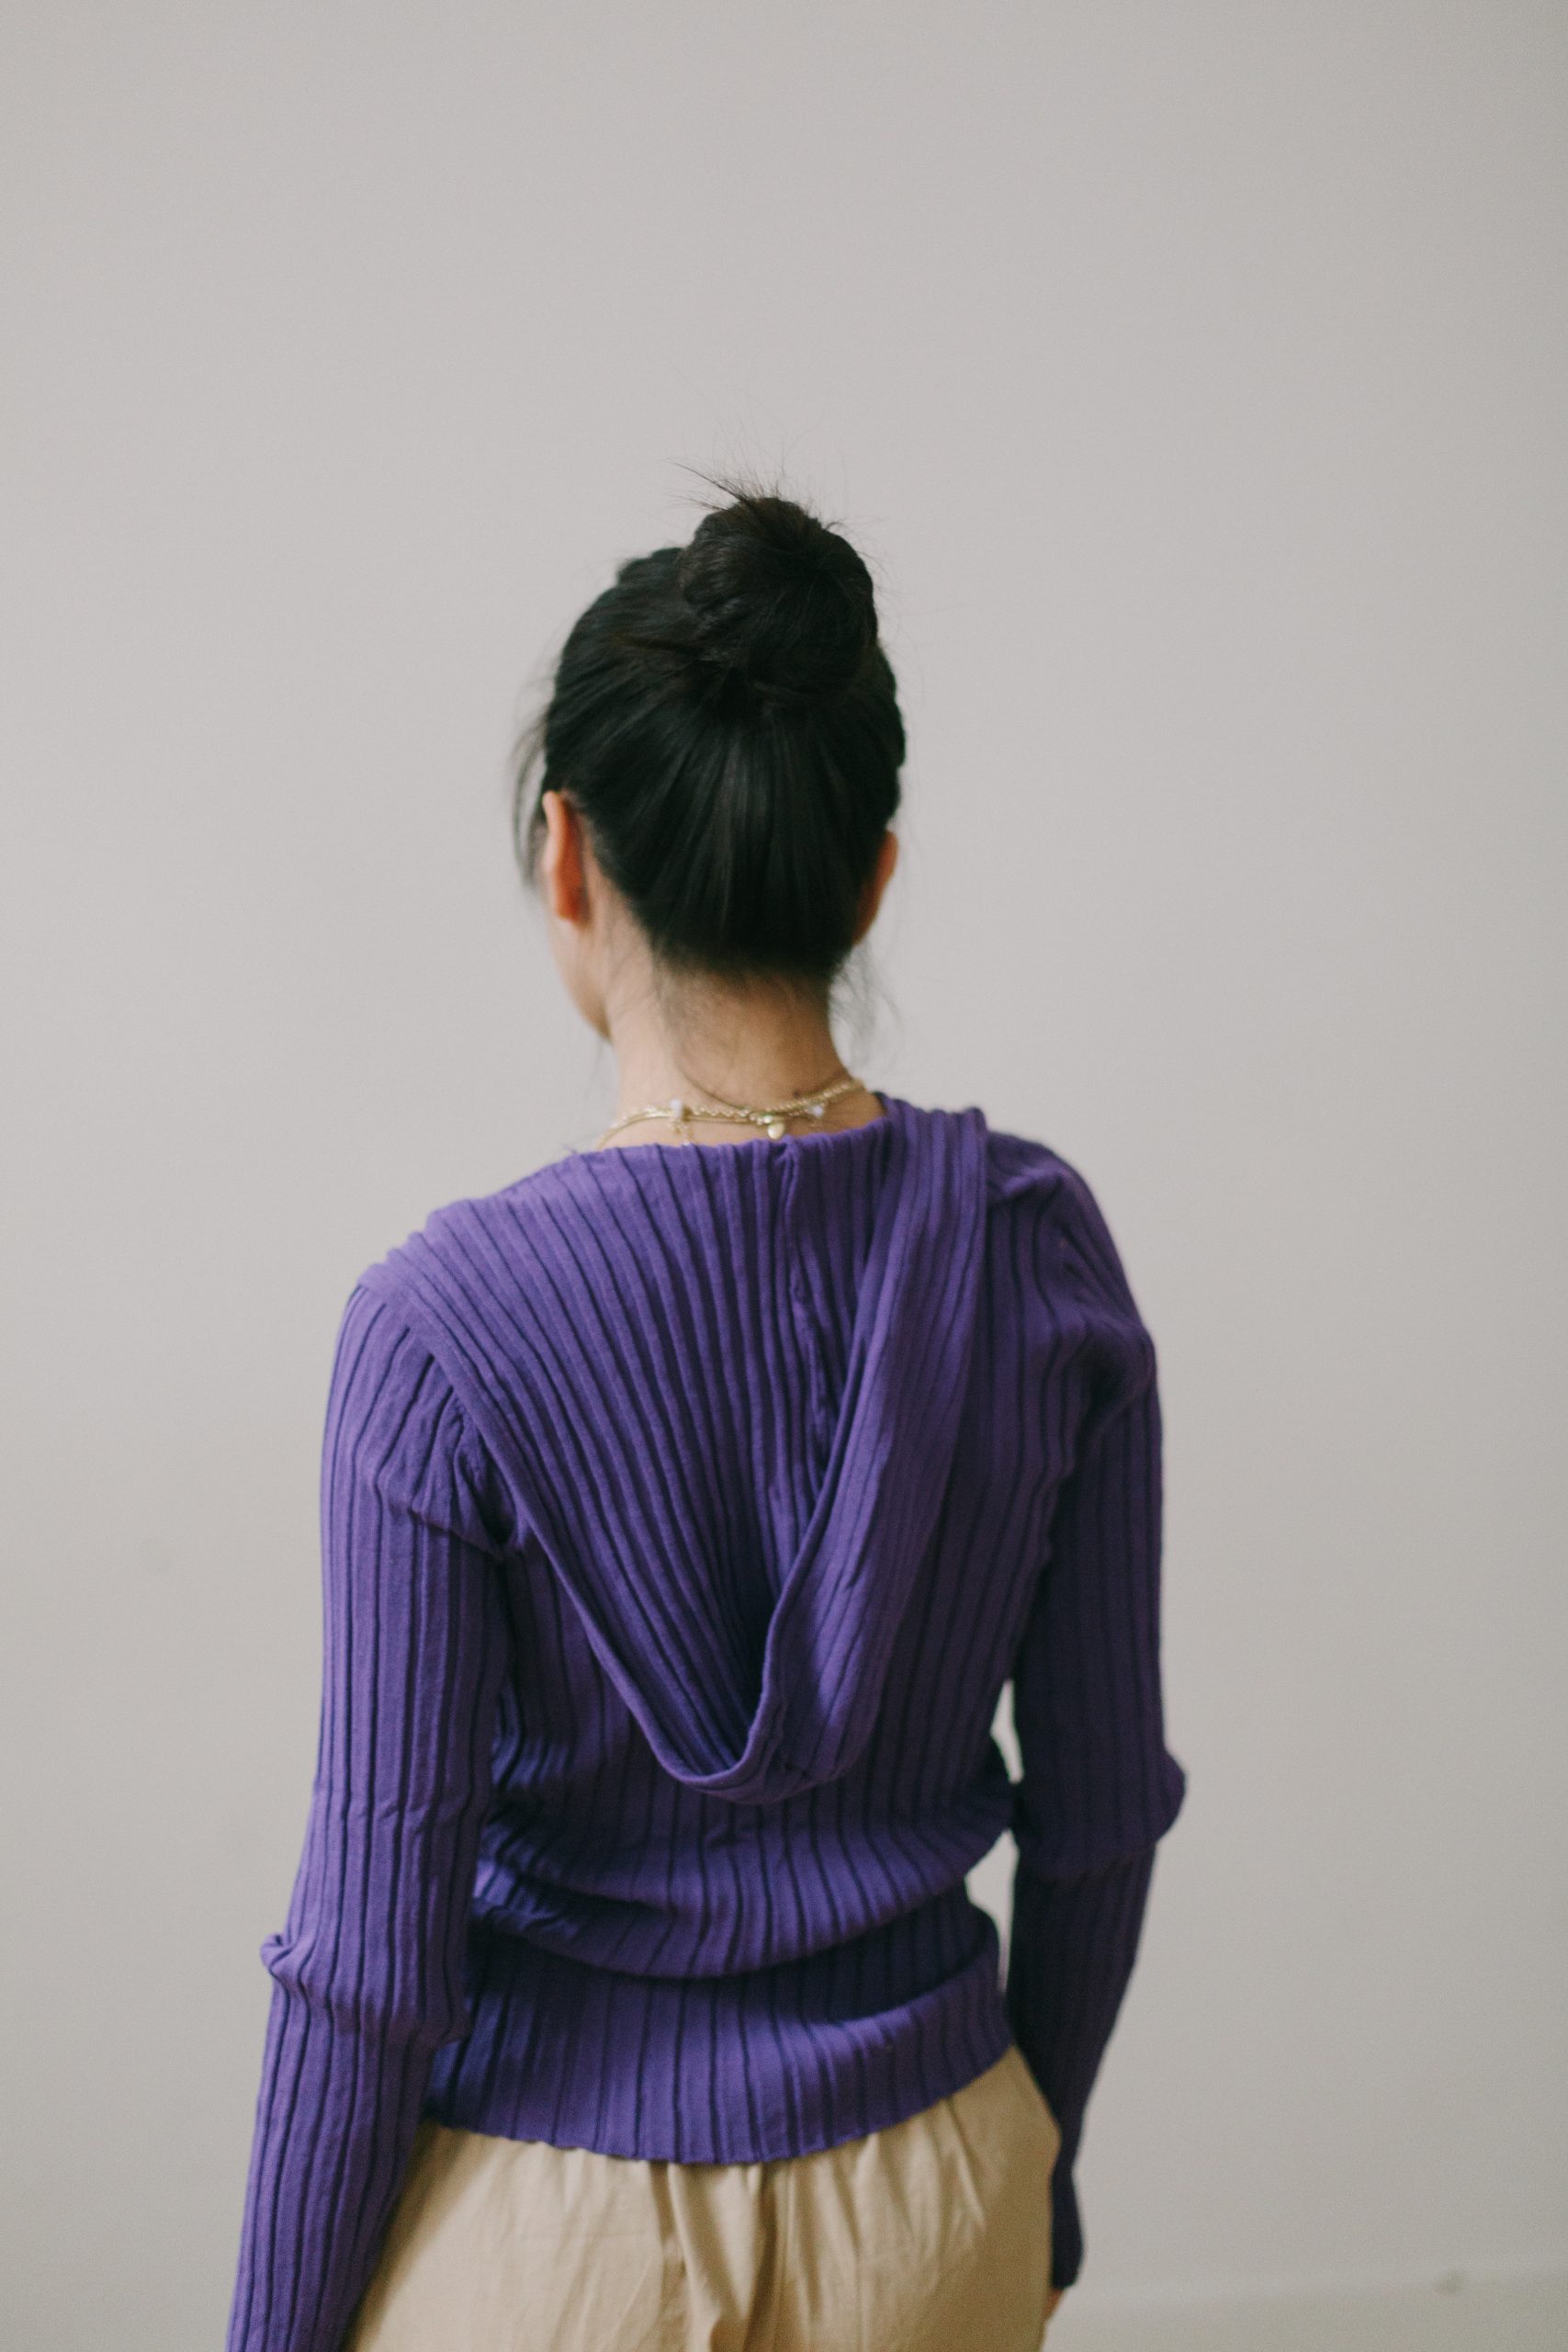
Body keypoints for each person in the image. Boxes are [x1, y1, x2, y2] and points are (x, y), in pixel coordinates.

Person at [223, 481, 1188, 2352]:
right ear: (870, 876)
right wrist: (1035, 2169)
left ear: (567, 855)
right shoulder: (1037, 1249)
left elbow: (368, 1963)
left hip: (548, 2225)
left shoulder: (437, 1332)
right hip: (935, 2189)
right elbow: (1098, 1821)